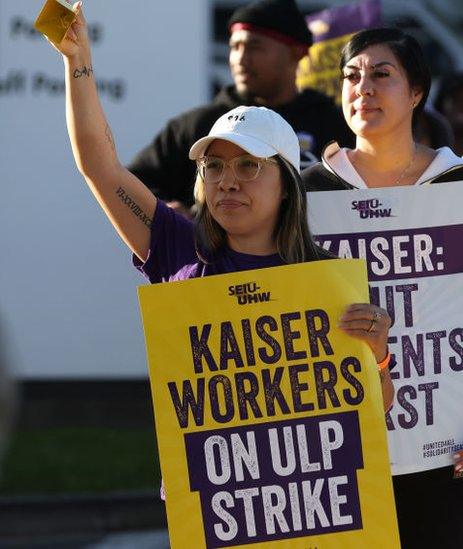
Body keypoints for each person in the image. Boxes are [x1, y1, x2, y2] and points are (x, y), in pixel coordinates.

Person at [46, 4, 393, 413]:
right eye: (213, 166)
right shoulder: (176, 247)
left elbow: (375, 408)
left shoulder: (327, 281)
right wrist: (78, 61)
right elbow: (98, 166)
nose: (227, 181)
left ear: (286, 184)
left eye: (249, 165)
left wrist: (378, 353)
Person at [300, 28, 463, 549]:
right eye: (351, 77)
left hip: (446, 450)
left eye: (381, 75)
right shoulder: (310, 192)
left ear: (416, 93)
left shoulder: (460, 186)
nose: (362, 88)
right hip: (340, 450)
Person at [128, 0, 354, 213]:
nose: (240, 59)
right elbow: (132, 184)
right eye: (235, 46)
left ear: (296, 52)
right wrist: (167, 213)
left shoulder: (335, 124)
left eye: (255, 46)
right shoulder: (201, 125)